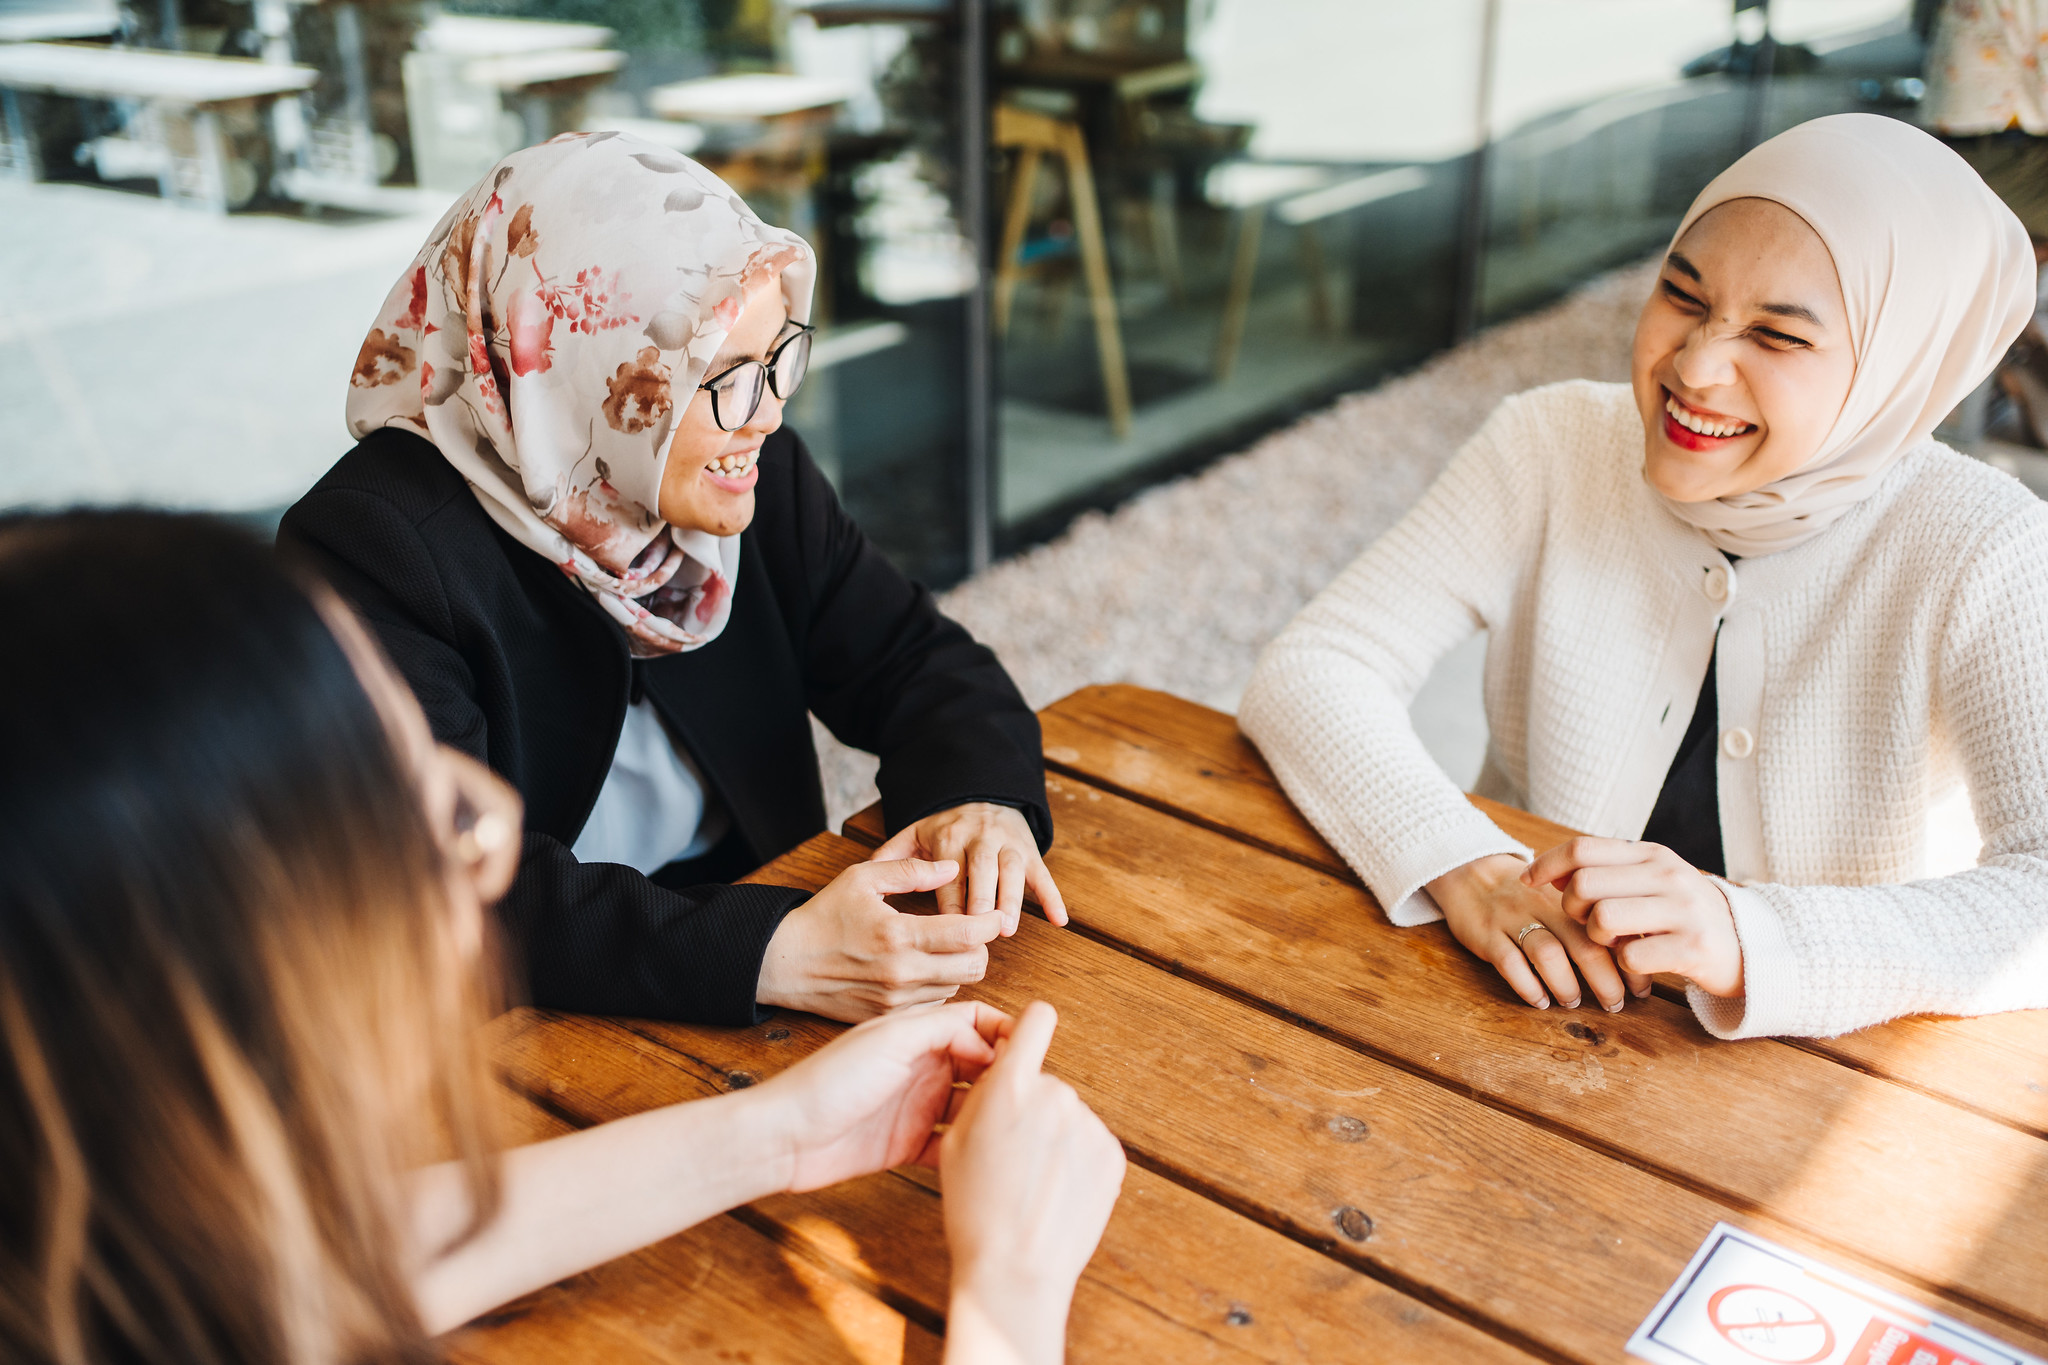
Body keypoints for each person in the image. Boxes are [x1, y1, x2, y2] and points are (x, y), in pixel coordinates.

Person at [0, 510, 1125, 1365]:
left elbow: (284, 1275)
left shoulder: (83, 1252)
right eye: (422, 811)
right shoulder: (389, 538)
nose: (485, 846)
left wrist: (779, 1134)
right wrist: (1007, 1303)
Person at [1239, 114, 2048, 1040]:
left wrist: (1752, 936)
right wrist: (1465, 864)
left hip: (1826, 1072)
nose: (1696, 367)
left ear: (1898, 369)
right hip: (1510, 1014)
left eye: (1778, 338)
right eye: (1682, 294)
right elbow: (1317, 665)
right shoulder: (1548, 443)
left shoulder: (1991, 549)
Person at [283, 133, 1067, 1029]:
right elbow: (441, 888)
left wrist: (982, 798)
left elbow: (915, 658)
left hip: (749, 946)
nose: (769, 413)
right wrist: (775, 952)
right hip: (518, 1021)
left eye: (779, 358)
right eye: (723, 377)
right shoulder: (370, 549)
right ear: (579, 373)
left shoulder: (740, 477)